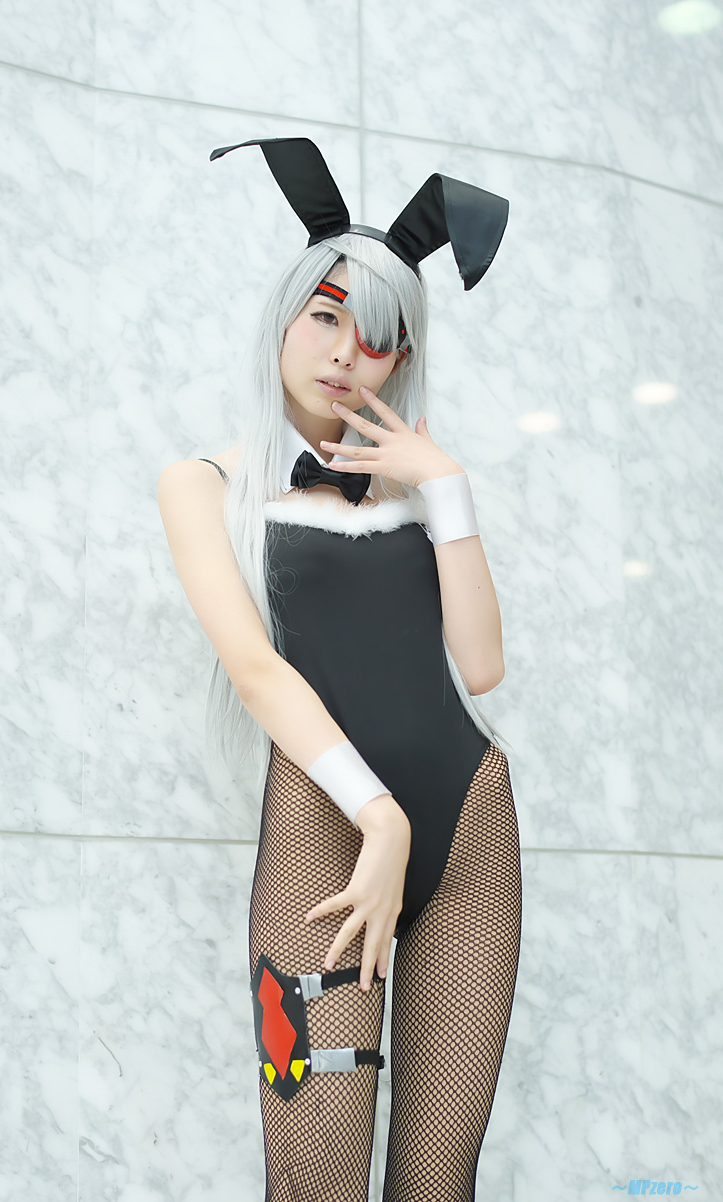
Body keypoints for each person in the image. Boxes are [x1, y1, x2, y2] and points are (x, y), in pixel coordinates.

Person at [158, 138, 523, 1202]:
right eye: (324, 316)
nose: (343, 354)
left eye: (376, 337)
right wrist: (379, 815)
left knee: (436, 1184)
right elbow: (257, 672)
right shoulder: (204, 484)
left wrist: (446, 487)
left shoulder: (419, 487)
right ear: (283, 316)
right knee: (313, 1180)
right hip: (329, 828)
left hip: (469, 828)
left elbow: (481, 667)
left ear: (400, 360)